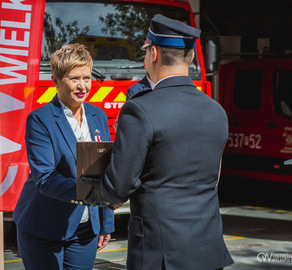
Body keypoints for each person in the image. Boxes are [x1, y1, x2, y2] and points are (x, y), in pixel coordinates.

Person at [85, 14, 234, 269]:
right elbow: (214, 175)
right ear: (191, 57)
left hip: (160, 251)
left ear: (152, 53)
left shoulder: (139, 109)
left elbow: (119, 185)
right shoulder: (216, 110)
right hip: (209, 249)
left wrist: (91, 187)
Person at [13, 43, 114, 270]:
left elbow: (102, 169)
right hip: (43, 227)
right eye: (74, 78)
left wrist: (106, 222)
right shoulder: (40, 119)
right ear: (56, 80)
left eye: (87, 78)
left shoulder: (98, 115)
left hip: (85, 230)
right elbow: (45, 178)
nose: (82, 86)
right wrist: (96, 193)